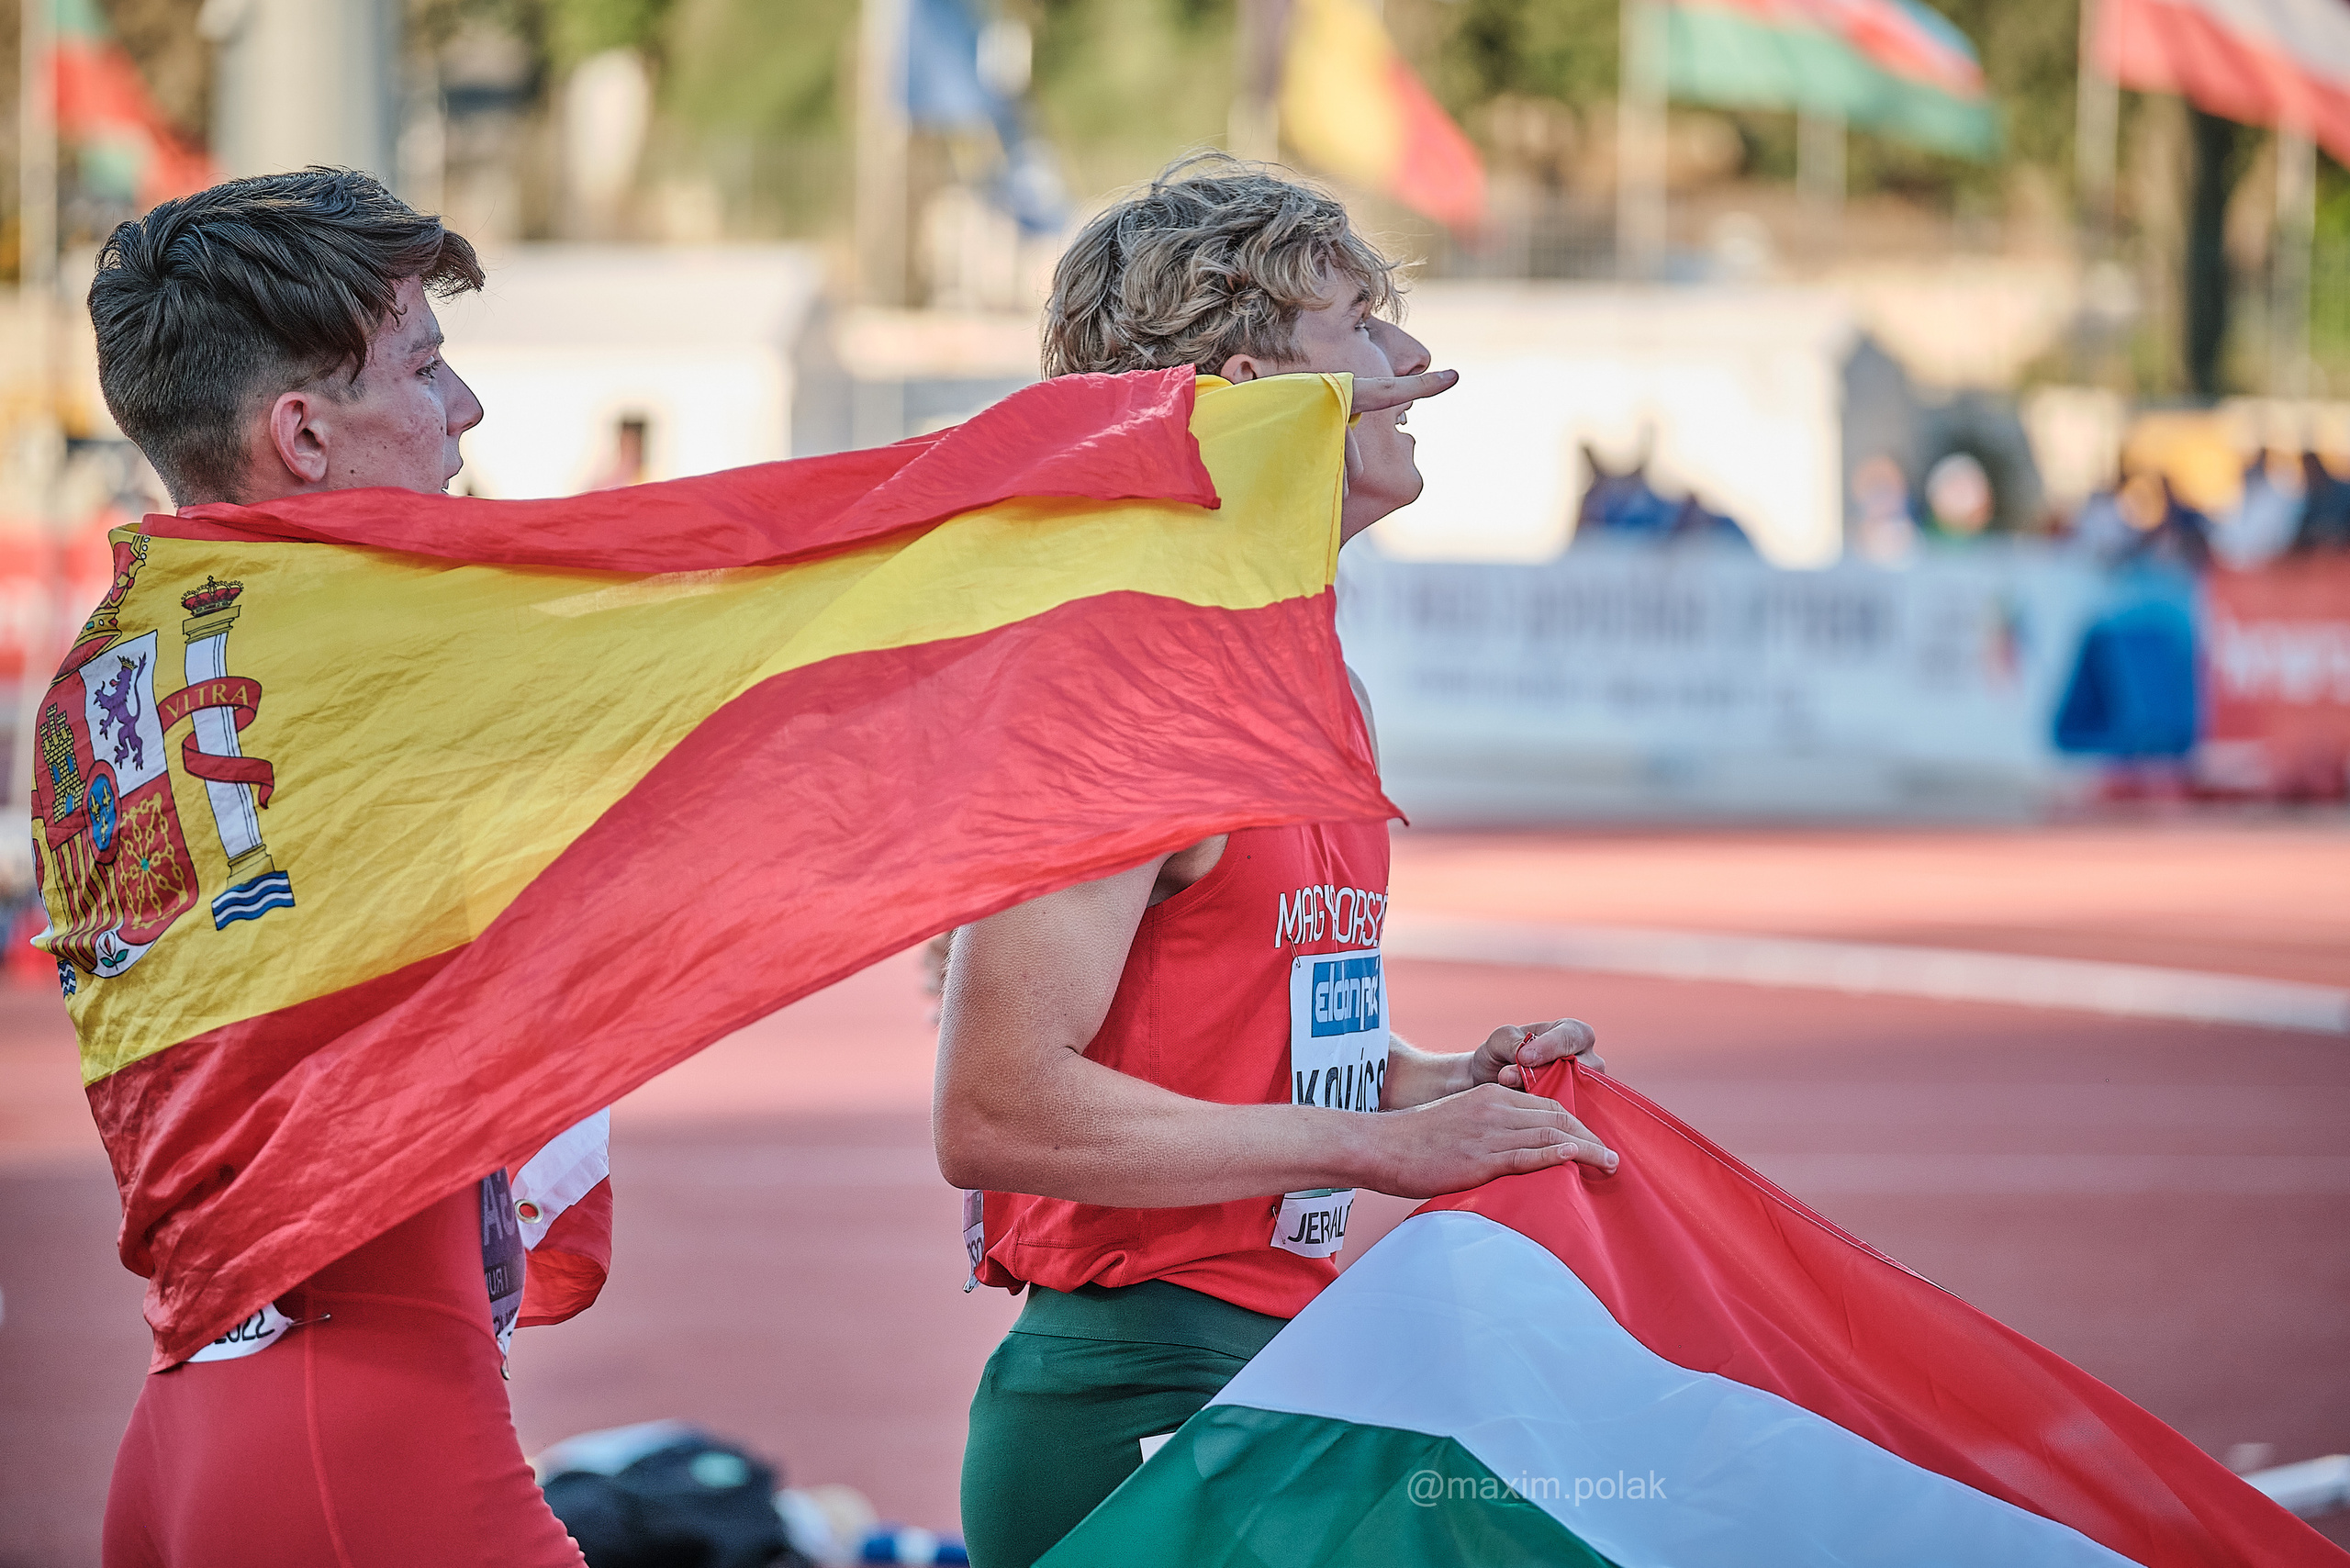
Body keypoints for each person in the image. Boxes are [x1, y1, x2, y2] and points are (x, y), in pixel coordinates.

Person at [934, 155, 1617, 1568]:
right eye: (1363, 325)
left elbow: (1240, 1039)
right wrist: (1379, 1147)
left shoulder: (1311, 679)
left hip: (1275, 1354)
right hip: (1139, 1389)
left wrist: (1439, 1086)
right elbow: (998, 1108)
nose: (1416, 361)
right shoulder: (1126, 686)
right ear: (1260, 390)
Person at [85, 169, 585, 1568]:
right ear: (301, 433)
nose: (465, 410)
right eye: (426, 367)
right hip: (362, 1437)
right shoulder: (377, 655)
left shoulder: (115, 665)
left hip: (198, 1408)